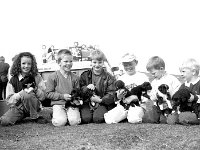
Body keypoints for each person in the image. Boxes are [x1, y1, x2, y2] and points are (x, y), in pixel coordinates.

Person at [0, 52, 47, 126]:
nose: (26, 66)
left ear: (32, 65)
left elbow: (43, 96)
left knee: (28, 94)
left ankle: (35, 116)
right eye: (23, 63)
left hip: (34, 104)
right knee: (5, 121)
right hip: (19, 107)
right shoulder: (13, 79)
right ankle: (23, 115)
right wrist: (21, 93)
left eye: (29, 64)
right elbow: (9, 100)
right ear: (19, 64)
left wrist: (35, 89)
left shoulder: (37, 77)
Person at [104, 53, 150, 124]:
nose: (128, 67)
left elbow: (147, 96)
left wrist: (134, 97)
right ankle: (126, 115)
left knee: (133, 120)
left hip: (137, 105)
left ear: (136, 63)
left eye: (130, 64)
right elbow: (117, 97)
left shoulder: (142, 77)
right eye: (125, 65)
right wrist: (119, 97)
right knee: (109, 119)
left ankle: (131, 115)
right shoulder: (121, 78)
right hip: (123, 105)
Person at [45, 49, 81, 127]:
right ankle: (55, 114)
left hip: (71, 104)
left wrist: (75, 98)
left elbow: (78, 92)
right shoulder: (52, 77)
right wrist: (62, 96)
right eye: (66, 61)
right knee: (60, 122)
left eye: (71, 61)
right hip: (58, 104)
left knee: (74, 122)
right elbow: (48, 94)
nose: (69, 64)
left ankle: (68, 116)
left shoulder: (75, 78)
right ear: (59, 62)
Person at [79, 49, 116, 124]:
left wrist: (100, 100)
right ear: (91, 63)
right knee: (86, 119)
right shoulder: (84, 75)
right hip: (87, 102)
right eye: (94, 62)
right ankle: (89, 112)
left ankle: (99, 112)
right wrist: (87, 88)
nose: (97, 65)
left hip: (102, 103)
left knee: (97, 119)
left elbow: (111, 93)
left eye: (100, 62)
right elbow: (80, 90)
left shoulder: (109, 77)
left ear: (103, 63)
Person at [145, 56, 181, 124]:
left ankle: (171, 116)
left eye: (154, 73)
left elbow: (178, 91)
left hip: (171, 105)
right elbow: (152, 96)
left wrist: (172, 99)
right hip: (159, 105)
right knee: (151, 118)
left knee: (171, 121)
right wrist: (155, 96)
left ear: (161, 69)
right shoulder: (154, 82)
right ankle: (161, 116)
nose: (152, 75)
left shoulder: (172, 79)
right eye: (151, 74)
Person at [177, 58, 200, 125]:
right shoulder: (183, 86)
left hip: (198, 109)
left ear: (193, 72)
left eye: (183, 71)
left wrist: (195, 98)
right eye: (180, 72)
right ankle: (189, 119)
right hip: (186, 109)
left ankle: (193, 120)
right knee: (173, 118)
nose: (181, 74)